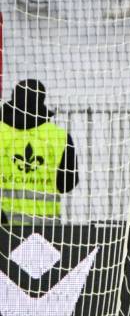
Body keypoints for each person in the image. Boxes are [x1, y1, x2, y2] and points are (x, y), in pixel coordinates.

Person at [0, 79, 79, 224]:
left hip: (5, 227)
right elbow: (67, 184)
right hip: (46, 226)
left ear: (13, 97)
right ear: (41, 100)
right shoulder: (59, 137)